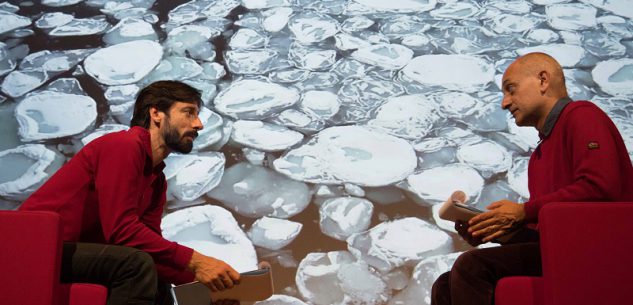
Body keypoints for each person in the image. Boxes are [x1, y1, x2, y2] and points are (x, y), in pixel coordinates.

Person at [431, 52, 633, 305]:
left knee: (471, 267)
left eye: (511, 89)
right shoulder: (538, 156)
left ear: (543, 80)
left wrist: (522, 211)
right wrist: (494, 229)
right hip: (564, 251)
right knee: (444, 284)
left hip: (602, 251)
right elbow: (549, 229)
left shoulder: (582, 114)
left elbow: (601, 187)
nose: (505, 103)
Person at [19, 81, 241, 305]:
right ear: (156, 113)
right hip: (34, 249)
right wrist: (196, 261)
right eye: (188, 112)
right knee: (135, 265)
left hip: (70, 253)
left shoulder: (157, 179)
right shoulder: (123, 146)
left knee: (155, 276)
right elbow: (121, 231)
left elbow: (150, 247)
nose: (199, 124)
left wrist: (205, 284)